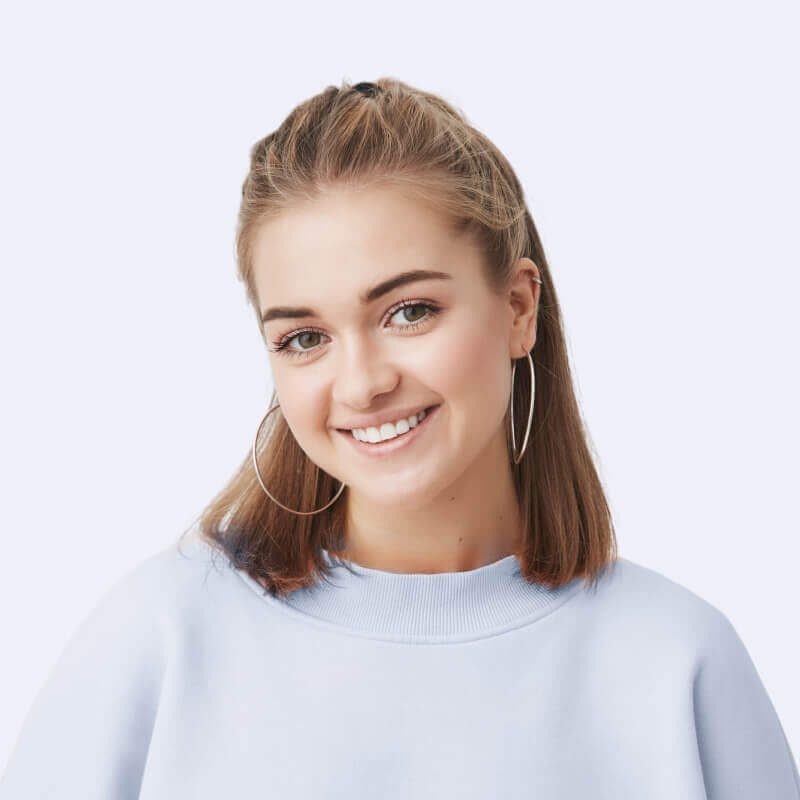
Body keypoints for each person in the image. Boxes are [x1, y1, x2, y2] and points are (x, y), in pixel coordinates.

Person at [2, 78, 798, 799]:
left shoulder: (678, 665)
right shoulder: (160, 639)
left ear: (519, 307)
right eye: (304, 337)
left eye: (408, 312)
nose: (360, 384)